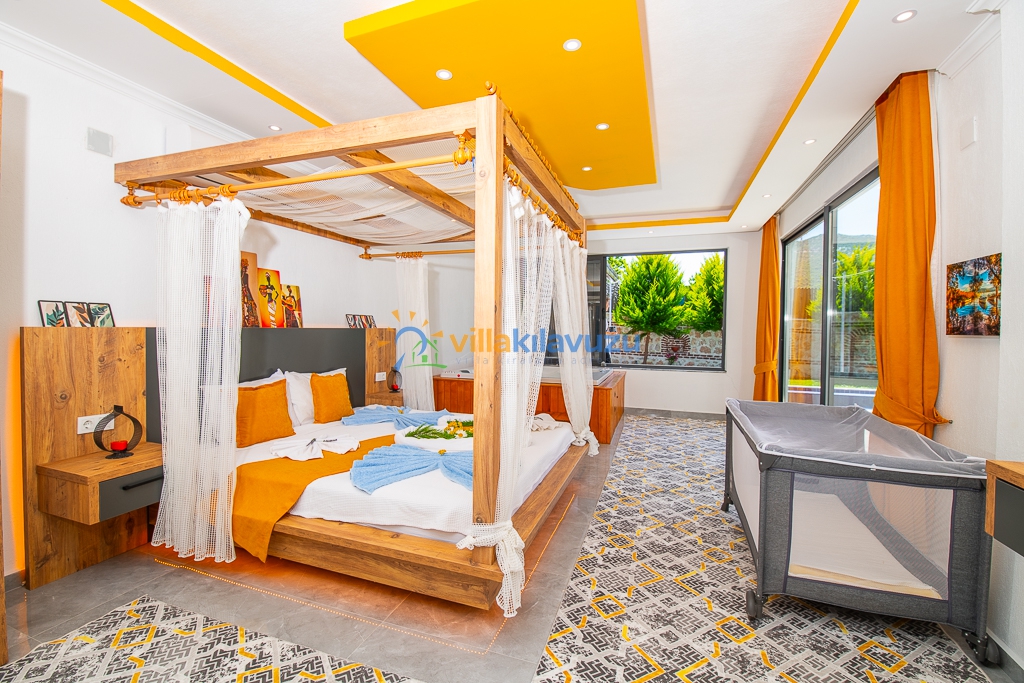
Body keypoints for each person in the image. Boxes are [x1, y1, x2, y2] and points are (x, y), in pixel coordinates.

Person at [241, 258, 260, 327]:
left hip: (245, 292)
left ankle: (252, 322)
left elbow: (247, 287)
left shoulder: (246, 275)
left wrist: (252, 299)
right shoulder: (239, 275)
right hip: (240, 293)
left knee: (251, 306)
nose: (246, 269)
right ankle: (243, 322)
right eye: (246, 267)